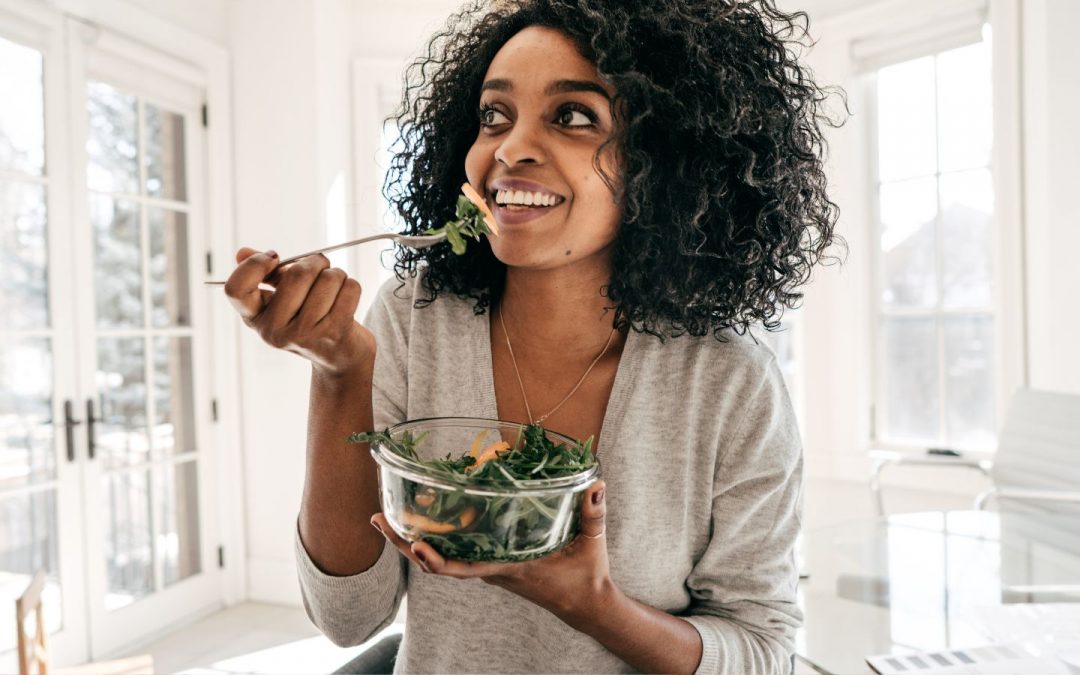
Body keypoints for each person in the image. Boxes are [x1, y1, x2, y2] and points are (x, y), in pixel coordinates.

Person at [224, 0, 842, 672]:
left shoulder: (728, 379)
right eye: (494, 116)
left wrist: (595, 604)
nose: (510, 148)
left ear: (660, 163)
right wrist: (341, 372)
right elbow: (348, 618)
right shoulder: (413, 316)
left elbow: (761, 651)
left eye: (573, 116)